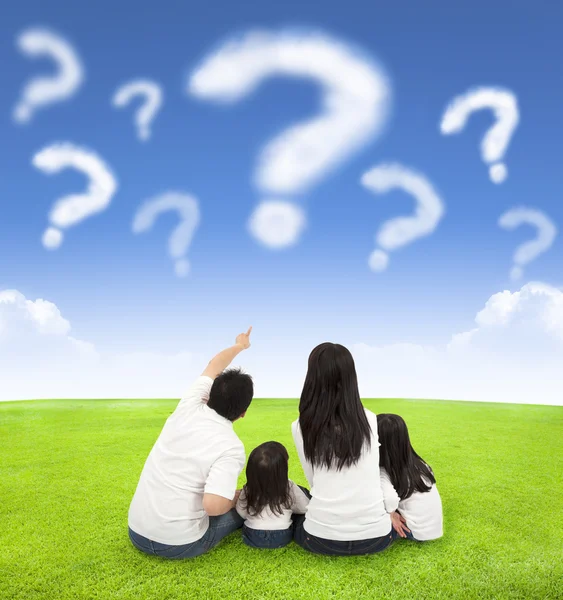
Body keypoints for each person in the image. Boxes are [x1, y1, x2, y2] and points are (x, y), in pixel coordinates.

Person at [127, 327, 253, 559]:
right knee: (245, 504)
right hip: (179, 544)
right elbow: (213, 507)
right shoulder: (231, 447)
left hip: (135, 531)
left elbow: (214, 364)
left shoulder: (189, 404)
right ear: (243, 413)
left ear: (210, 393)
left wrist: (240, 345)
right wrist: (234, 498)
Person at [292, 342, 396, 556]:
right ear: (351, 378)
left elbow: (313, 482)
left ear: (312, 379)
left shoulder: (301, 426)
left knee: (293, 512)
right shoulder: (370, 419)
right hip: (377, 538)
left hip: (321, 540)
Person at [377, 413, 443, 542]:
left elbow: (389, 498)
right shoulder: (420, 464)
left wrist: (391, 514)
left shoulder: (384, 471)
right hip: (432, 528)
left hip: (413, 530)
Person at [236, 441, 309, 549]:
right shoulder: (289, 485)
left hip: (252, 535)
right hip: (282, 535)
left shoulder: (248, 488)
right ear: (282, 470)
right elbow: (305, 507)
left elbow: (241, 511)